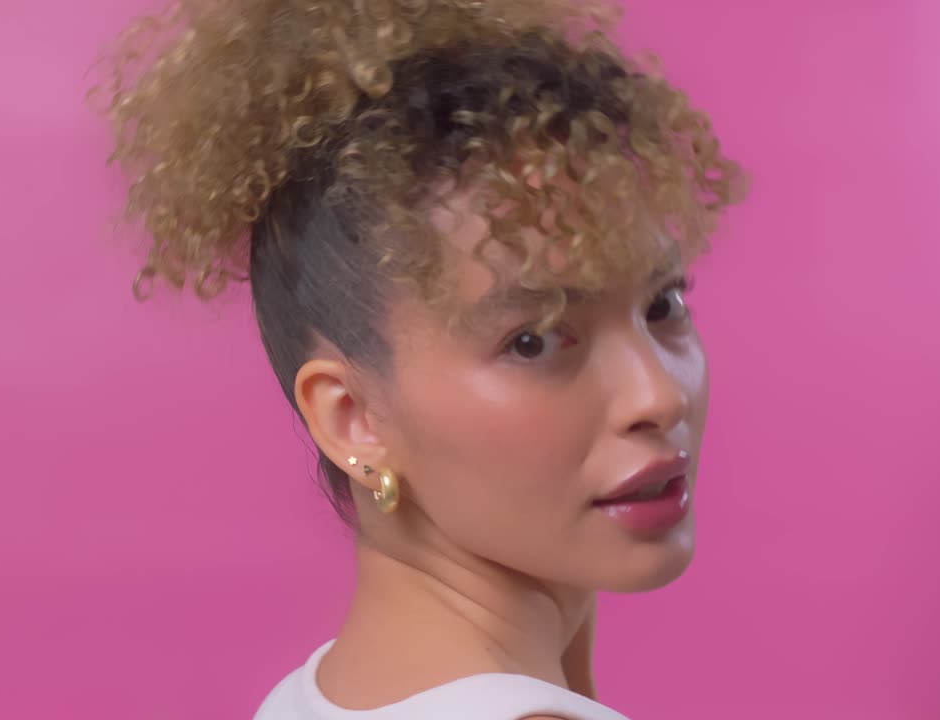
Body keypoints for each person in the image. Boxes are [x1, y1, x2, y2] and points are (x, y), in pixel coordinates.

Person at [94, 0, 744, 716]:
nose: (656, 395)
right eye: (533, 340)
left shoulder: (311, 699)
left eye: (664, 306)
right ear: (354, 420)